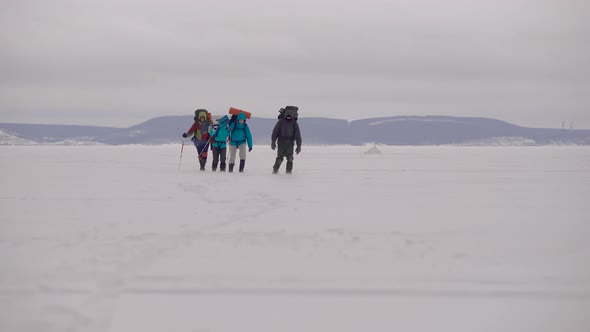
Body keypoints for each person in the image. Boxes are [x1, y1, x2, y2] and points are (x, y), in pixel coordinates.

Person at [271, 108, 302, 174]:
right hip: (281, 143)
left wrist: (298, 145)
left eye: (289, 117)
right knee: (279, 158)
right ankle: (275, 171)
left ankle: (288, 172)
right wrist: (273, 141)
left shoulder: (294, 123)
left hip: (290, 143)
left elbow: (297, 134)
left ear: (292, 116)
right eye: (287, 116)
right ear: (285, 116)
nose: (288, 118)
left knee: (290, 158)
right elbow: (275, 132)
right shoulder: (280, 122)